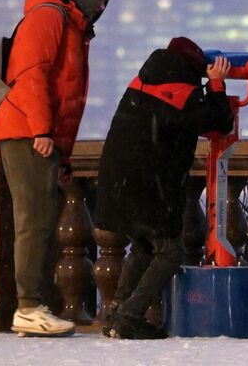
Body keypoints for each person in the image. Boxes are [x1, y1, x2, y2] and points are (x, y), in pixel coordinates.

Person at [0, 0, 111, 336]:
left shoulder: (70, 25)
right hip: (27, 131)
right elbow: (31, 74)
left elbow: (66, 97)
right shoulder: (48, 16)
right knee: (34, 221)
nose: (103, 5)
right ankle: (27, 307)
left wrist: (64, 154)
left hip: (37, 133)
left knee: (38, 220)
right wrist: (42, 130)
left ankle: (32, 307)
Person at [92, 38, 234, 340]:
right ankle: (129, 316)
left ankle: (116, 312)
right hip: (149, 186)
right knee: (170, 252)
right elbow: (220, 123)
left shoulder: (143, 81)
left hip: (118, 179)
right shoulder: (184, 92)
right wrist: (217, 85)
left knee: (144, 244)